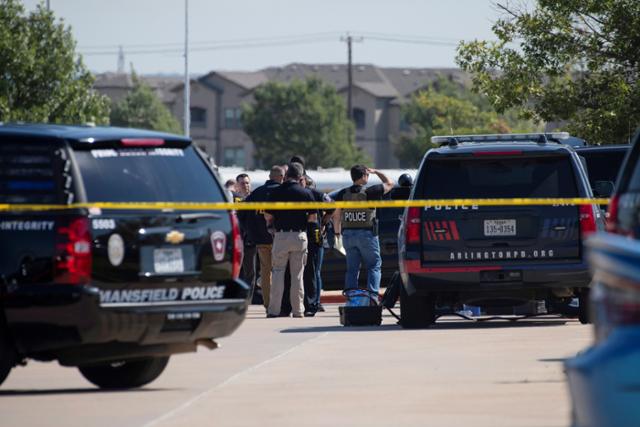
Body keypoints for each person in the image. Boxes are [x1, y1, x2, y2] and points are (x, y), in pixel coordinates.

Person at [332, 165, 394, 299]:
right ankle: (372, 297)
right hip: (367, 235)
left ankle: (351, 297)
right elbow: (390, 183)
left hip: (348, 235)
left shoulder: (343, 193)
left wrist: (337, 234)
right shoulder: (372, 191)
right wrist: (376, 171)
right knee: (374, 266)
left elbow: (336, 216)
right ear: (364, 176)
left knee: (352, 269)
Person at [264, 163, 316, 318]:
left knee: (278, 273)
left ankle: (274, 310)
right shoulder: (306, 193)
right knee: (297, 275)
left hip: (281, 236)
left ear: (286, 176)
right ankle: (298, 310)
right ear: (300, 177)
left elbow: (267, 215)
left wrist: (272, 228)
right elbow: (312, 218)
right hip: (299, 236)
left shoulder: (275, 192)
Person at [240, 166, 284, 311]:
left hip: (261, 239)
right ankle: (281, 304)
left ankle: (268, 304)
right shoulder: (282, 191)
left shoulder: (257, 192)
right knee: (281, 271)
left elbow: (241, 214)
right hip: (280, 237)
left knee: (265, 272)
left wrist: (250, 231)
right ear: (280, 177)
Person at [302, 175, 333, 316]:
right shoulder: (316, 194)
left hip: (310, 234)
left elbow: (332, 206)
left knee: (311, 271)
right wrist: (324, 222)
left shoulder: (308, 194)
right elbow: (332, 205)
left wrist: (324, 222)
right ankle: (316, 301)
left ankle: (313, 301)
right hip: (315, 234)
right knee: (315, 271)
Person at [235, 173, 256, 292]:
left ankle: (248, 299)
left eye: (247, 183)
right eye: (242, 183)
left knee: (249, 272)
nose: (245, 185)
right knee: (235, 271)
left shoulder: (255, 198)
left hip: (250, 240)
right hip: (236, 240)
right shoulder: (232, 200)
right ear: (237, 185)